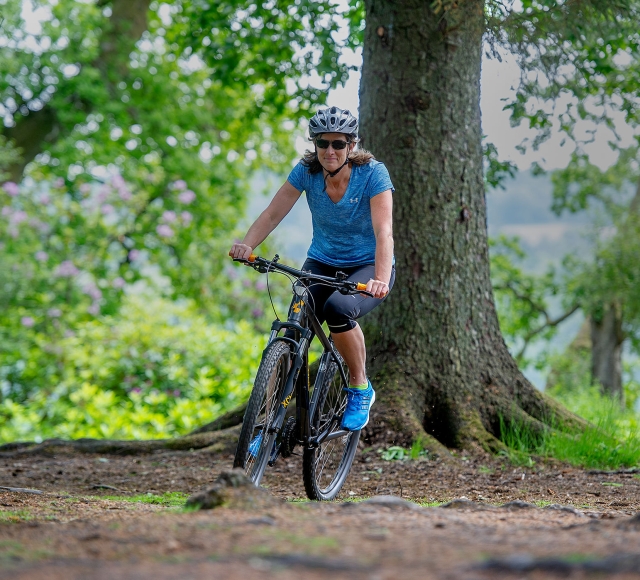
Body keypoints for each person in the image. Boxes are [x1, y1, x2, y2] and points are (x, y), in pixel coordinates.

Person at [229, 106, 394, 431]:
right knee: (294, 327)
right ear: (314, 145)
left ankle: (360, 386)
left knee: (338, 310)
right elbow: (272, 214)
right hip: (321, 262)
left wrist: (380, 278)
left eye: (337, 143)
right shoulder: (306, 171)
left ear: (352, 145)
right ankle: (265, 419)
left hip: (366, 265)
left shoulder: (373, 174)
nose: (329, 151)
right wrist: (248, 245)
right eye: (322, 143)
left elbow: (383, 232)